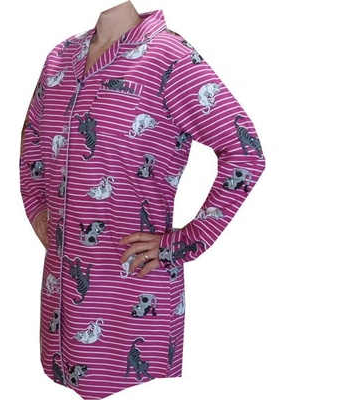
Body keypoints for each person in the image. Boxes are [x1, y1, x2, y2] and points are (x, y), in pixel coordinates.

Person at [19, 1, 266, 399]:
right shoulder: (60, 58)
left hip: (133, 296)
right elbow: (33, 137)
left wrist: (184, 242)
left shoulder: (169, 56)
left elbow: (246, 152)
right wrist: (36, 208)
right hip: (60, 304)